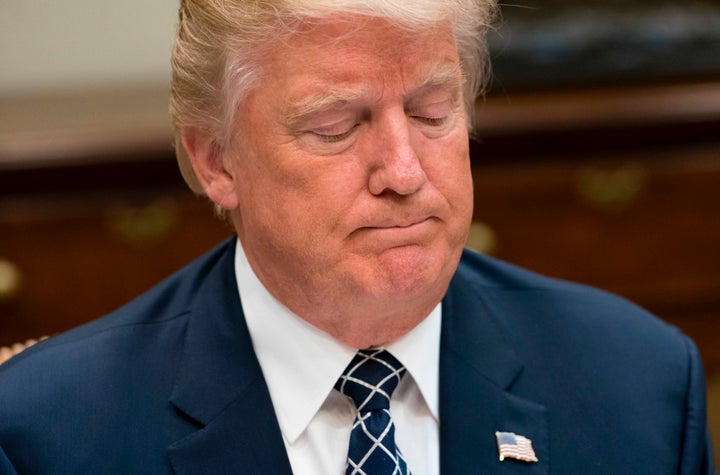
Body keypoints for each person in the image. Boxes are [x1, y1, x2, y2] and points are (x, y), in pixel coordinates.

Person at [0, 0, 714, 473]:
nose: (404, 172)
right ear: (216, 159)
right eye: (337, 126)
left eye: (434, 112)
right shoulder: (46, 435)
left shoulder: (639, 387)